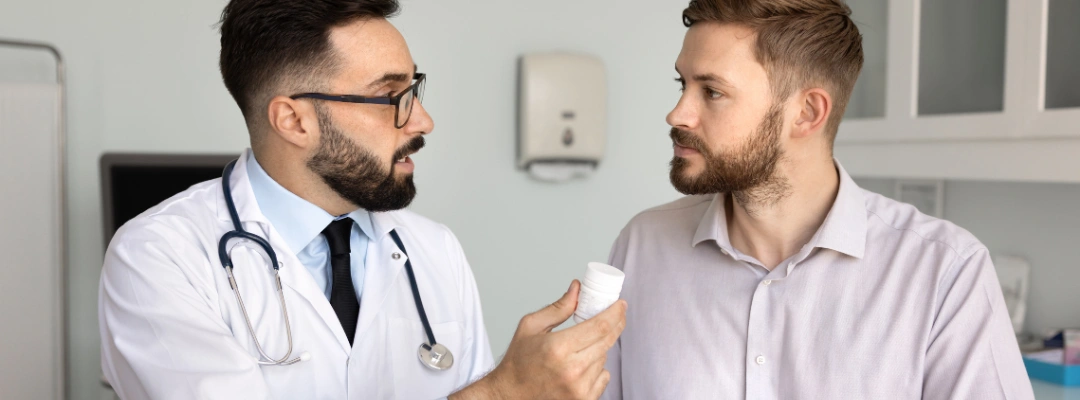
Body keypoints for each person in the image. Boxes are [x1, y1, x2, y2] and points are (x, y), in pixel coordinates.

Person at [98, 0, 625, 398]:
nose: (421, 121)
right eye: (387, 97)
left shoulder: (433, 251)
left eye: (413, 90)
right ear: (294, 120)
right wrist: (501, 391)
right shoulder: (159, 257)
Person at [601, 0, 1034, 399]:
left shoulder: (945, 274)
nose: (678, 114)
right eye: (683, 83)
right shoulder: (642, 246)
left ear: (807, 113)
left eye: (711, 91)